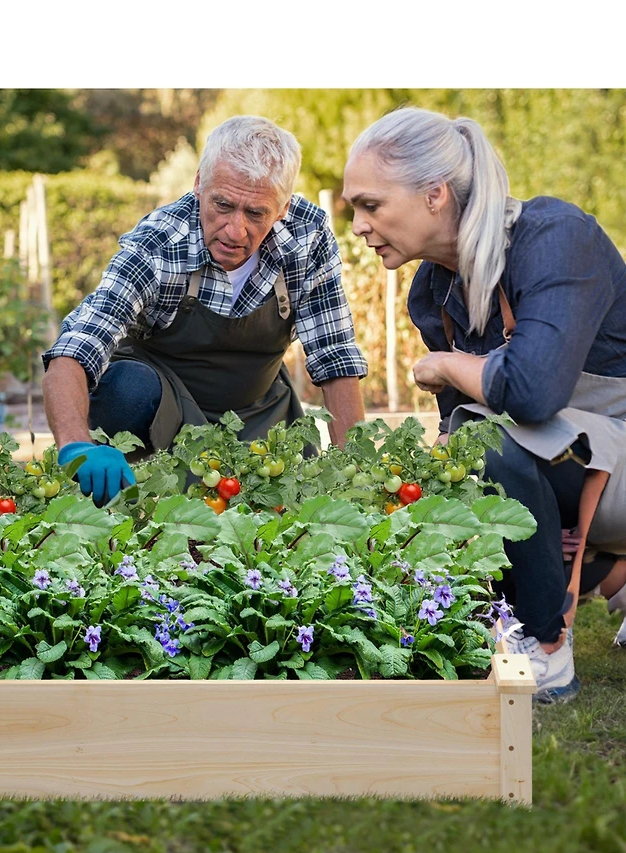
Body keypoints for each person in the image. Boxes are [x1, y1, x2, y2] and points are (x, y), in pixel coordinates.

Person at [343, 106, 626, 703]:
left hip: (617, 461)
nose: (360, 227)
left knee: (482, 434)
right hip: (576, 464)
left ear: (435, 195)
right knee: (458, 453)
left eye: (371, 205)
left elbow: (533, 389)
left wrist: (448, 364)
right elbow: (466, 448)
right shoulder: (433, 291)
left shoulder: (556, 239)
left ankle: (545, 647)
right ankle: (512, 617)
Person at [42, 115, 368, 507]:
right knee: (124, 391)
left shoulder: (307, 238)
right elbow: (77, 346)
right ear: (199, 184)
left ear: (282, 208)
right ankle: (132, 487)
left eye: (255, 214)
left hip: (259, 410)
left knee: (277, 513)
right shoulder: (160, 242)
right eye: (223, 205)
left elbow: (335, 358)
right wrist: (76, 444)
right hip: (164, 410)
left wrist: (358, 475)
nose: (234, 230)